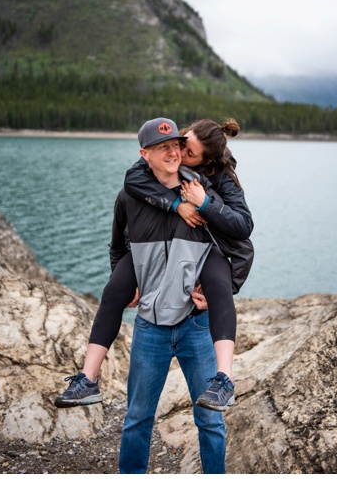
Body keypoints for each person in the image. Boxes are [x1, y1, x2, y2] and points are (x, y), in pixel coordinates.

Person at [53, 118, 253, 414]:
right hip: (155, 263)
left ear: (205, 163)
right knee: (114, 290)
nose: (179, 153)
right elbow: (130, 185)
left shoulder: (216, 182)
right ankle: (87, 379)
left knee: (219, 284)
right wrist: (176, 204)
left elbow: (243, 232)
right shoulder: (141, 177)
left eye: (188, 153)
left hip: (203, 251)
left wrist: (203, 204)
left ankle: (225, 380)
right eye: (179, 143)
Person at [113, 117, 227, 472]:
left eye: (176, 145)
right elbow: (117, 247)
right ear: (144, 154)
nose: (173, 151)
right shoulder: (131, 195)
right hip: (151, 328)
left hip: (196, 326)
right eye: (163, 147)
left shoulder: (199, 191)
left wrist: (223, 286)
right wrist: (125, 281)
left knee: (211, 419)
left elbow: (232, 242)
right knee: (138, 418)